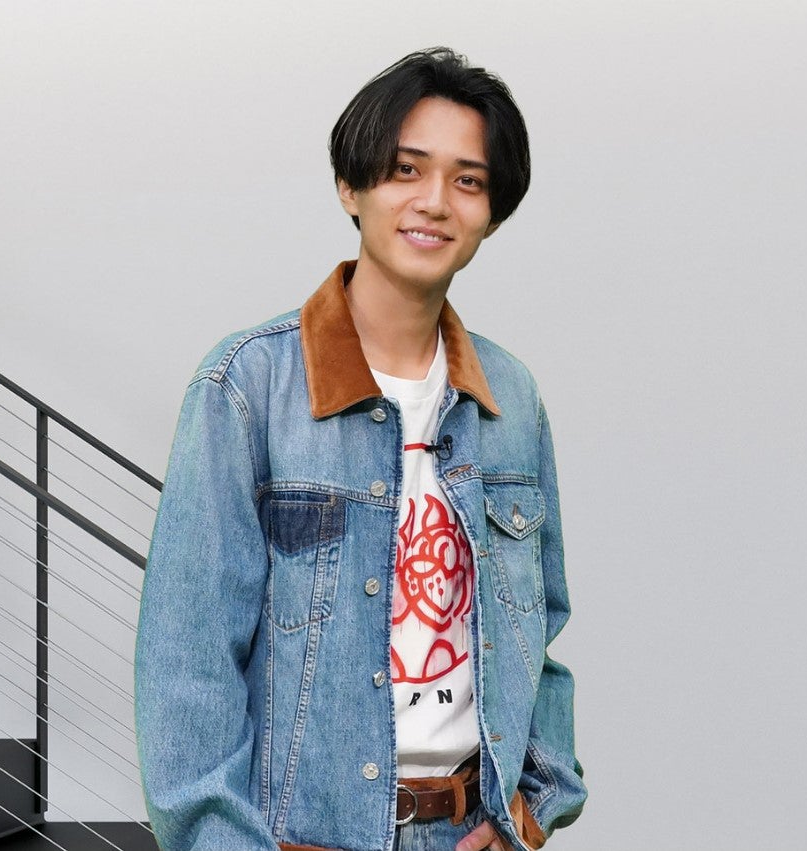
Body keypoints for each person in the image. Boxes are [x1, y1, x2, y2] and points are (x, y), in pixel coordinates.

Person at [135, 47, 586, 851]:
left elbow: (537, 632)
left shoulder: (509, 396)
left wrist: (529, 807)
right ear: (350, 185)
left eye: (467, 180)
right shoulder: (248, 386)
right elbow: (187, 666)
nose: (433, 202)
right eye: (405, 169)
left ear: (491, 212)